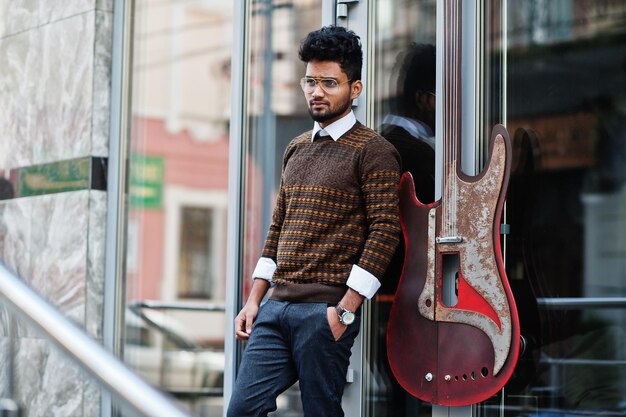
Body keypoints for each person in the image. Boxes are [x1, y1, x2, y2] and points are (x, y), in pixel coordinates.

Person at [227, 26, 401, 417]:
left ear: (354, 88)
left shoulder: (375, 151)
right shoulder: (296, 148)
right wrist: (254, 300)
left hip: (324, 312)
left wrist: (344, 310)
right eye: (310, 81)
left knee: (321, 413)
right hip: (276, 308)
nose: (316, 92)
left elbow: (385, 232)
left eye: (328, 82)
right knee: (241, 410)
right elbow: (278, 229)